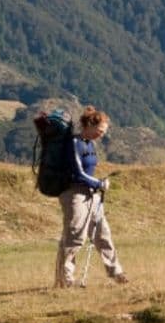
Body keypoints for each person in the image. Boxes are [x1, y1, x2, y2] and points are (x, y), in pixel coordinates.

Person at [55, 105, 129, 288]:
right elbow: (78, 173)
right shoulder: (73, 143)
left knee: (103, 233)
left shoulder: (90, 144)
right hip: (74, 194)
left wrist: (97, 184)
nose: (102, 135)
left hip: (91, 193)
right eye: (100, 131)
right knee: (74, 237)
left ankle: (116, 272)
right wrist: (99, 183)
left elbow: (87, 171)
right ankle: (65, 279)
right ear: (89, 125)